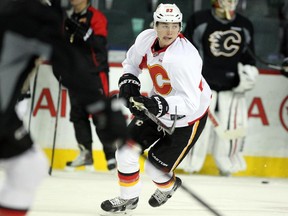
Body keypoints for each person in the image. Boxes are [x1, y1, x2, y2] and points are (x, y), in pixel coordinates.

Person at [0, 0, 127, 215]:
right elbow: (67, 62)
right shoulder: (33, 14)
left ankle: (105, 155)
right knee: (29, 167)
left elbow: (91, 48)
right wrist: (102, 108)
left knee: (29, 167)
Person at [100, 3, 211, 214]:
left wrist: (158, 105)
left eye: (175, 25)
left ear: (180, 27)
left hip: (188, 118)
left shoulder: (184, 58)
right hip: (159, 106)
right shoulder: (147, 38)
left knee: (154, 169)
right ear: (155, 24)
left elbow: (190, 103)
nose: (170, 31)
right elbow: (131, 63)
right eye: (164, 25)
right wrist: (129, 82)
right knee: (125, 149)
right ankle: (128, 199)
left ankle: (169, 185)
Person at [183, 0, 259, 176]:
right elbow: (186, 54)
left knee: (232, 130)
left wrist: (248, 74)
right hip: (202, 89)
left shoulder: (244, 25)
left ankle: (228, 166)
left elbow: (249, 59)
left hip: (231, 90)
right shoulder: (199, 20)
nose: (230, 3)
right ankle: (189, 165)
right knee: (196, 129)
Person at [64, 0, 116, 171]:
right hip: (75, 74)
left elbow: (99, 45)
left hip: (95, 73)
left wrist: (81, 31)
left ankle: (110, 155)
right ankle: (85, 154)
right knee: (77, 114)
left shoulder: (96, 16)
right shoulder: (70, 16)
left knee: (99, 112)